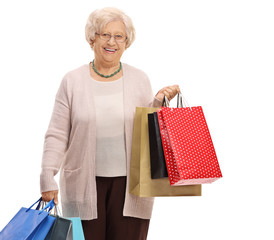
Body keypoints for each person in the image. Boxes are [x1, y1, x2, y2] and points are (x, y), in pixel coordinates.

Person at [40, 7, 180, 240]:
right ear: (91, 38)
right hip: (83, 183)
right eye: (105, 34)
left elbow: (147, 130)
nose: (111, 42)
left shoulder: (139, 78)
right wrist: (47, 175)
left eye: (119, 36)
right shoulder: (72, 81)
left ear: (127, 42)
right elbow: (57, 133)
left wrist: (158, 101)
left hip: (132, 186)